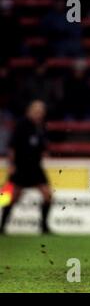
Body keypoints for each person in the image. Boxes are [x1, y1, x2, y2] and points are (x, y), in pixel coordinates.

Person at [0, 100, 52, 234]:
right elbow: (11, 147)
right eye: (36, 111)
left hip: (35, 167)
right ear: (29, 111)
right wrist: (11, 165)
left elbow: (41, 145)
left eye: (41, 111)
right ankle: (2, 227)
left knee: (48, 195)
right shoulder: (21, 125)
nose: (39, 114)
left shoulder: (41, 126)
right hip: (20, 167)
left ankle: (44, 227)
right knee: (10, 197)